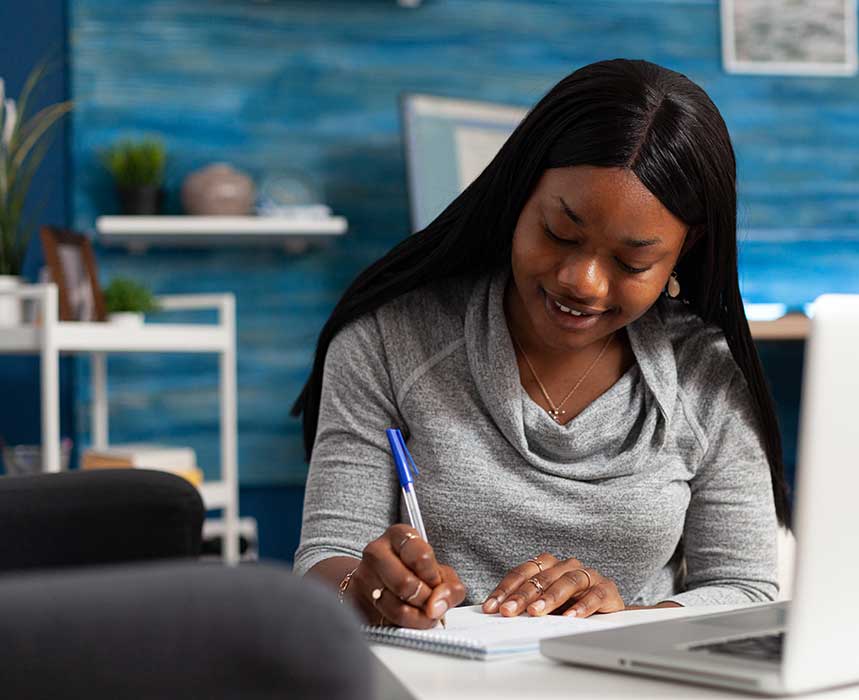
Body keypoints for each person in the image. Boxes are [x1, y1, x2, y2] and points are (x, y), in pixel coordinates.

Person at [292, 58, 791, 630]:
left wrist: (623, 620)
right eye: (559, 232)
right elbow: (325, 557)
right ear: (520, 195)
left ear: (682, 251)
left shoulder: (706, 373)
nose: (583, 282)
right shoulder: (388, 339)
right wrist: (366, 587)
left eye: (632, 262)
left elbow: (747, 589)